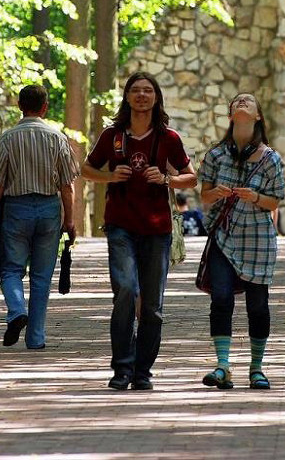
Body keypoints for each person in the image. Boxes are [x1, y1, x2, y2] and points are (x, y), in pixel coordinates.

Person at [81, 71, 197, 391]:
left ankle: (143, 371)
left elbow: (191, 177)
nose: (142, 95)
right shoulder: (113, 136)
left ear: (156, 97)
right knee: (125, 293)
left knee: (152, 307)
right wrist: (108, 176)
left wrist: (166, 179)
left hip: (157, 230)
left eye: (148, 90)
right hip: (120, 227)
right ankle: (122, 368)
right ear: (127, 97)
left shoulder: (168, 138)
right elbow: (87, 169)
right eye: (136, 90)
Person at [197, 92, 285, 390]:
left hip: (259, 239)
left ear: (258, 116)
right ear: (231, 115)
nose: (243, 103)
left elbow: (275, 203)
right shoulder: (215, 155)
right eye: (237, 102)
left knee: (257, 306)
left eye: (249, 101)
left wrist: (257, 197)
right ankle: (222, 366)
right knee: (221, 298)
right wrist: (217, 193)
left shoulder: (271, 159)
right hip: (224, 236)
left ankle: (256, 368)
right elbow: (204, 197)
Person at [0, 84, 79, 350]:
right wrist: (69, 220)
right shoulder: (58, 139)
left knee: (11, 268)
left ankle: (16, 311)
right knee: (41, 276)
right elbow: (67, 186)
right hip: (49, 210)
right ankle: (35, 337)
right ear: (45, 107)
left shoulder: (7, 139)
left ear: (19, 106)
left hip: (16, 209)